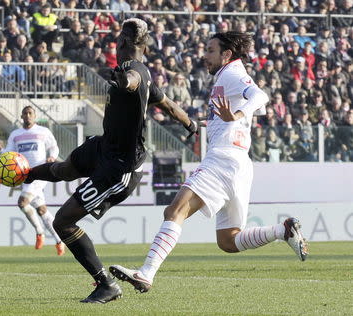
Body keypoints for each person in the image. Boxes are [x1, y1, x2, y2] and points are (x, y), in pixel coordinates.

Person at [109, 31, 309, 294]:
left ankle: (146, 273)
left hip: (223, 159)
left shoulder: (232, 72)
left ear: (226, 54)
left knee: (174, 212)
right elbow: (230, 114)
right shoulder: (225, 77)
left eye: (211, 50)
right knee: (228, 240)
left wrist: (237, 114)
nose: (205, 55)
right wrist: (213, 122)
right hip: (239, 163)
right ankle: (282, 231)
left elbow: (260, 96)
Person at [23, 18, 198, 304]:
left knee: (64, 222)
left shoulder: (133, 70)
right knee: (66, 168)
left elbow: (132, 82)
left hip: (120, 167)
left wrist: (121, 80)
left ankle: (106, 284)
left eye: (118, 38)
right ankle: (28, 174)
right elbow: (167, 104)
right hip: (105, 147)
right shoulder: (146, 74)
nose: (114, 44)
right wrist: (191, 124)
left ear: (126, 42)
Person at [0, 106, 65, 255]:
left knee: (22, 202)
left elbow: (54, 147)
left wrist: (52, 157)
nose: (27, 116)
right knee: (42, 210)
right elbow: (10, 153)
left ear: (35, 115)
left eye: (30, 113)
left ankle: (39, 232)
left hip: (39, 173)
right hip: (24, 175)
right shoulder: (16, 134)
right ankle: (59, 240)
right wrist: (0, 150)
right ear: (21, 116)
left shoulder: (43, 131)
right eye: (25, 113)